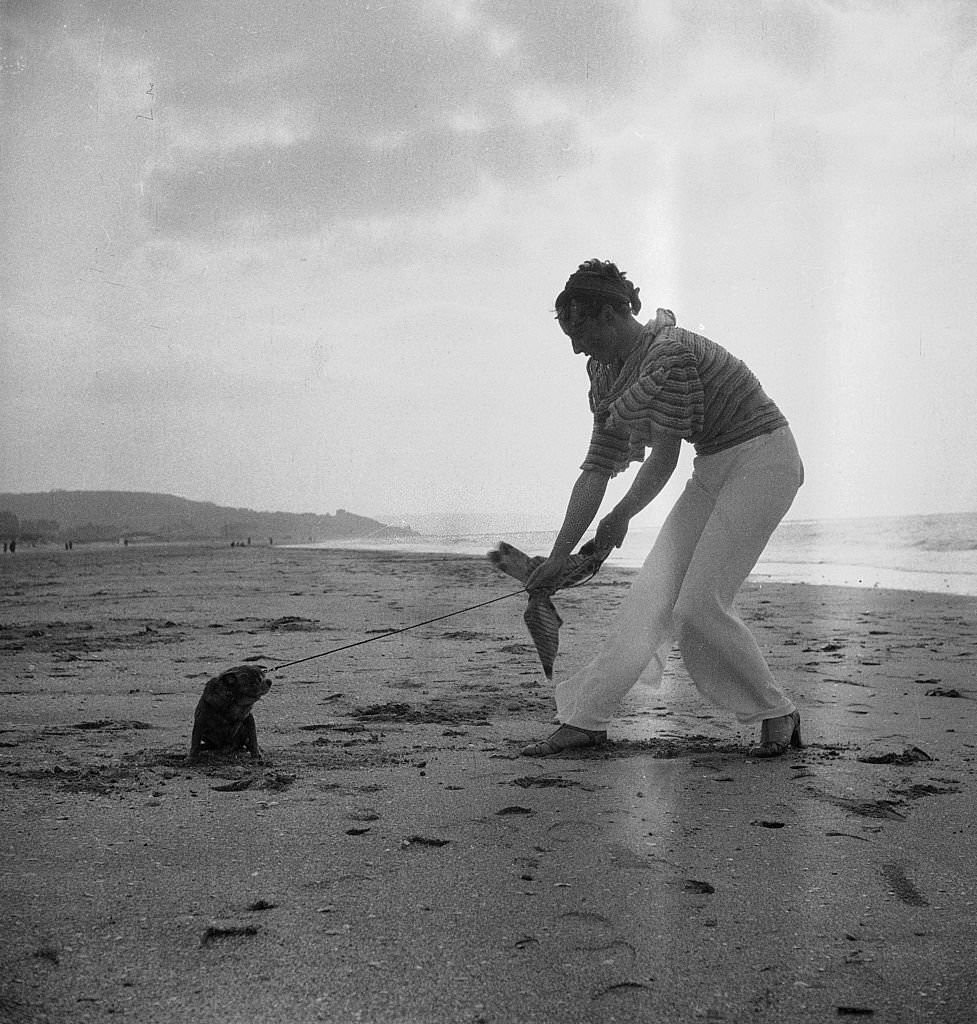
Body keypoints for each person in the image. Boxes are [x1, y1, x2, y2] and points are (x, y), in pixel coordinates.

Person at [521, 259, 805, 758]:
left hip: (765, 459)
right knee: (648, 600)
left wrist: (619, 518)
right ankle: (586, 721)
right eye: (567, 333)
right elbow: (597, 467)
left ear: (611, 314)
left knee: (698, 604)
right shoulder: (605, 370)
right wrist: (559, 555)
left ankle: (776, 711)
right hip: (713, 467)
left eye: (580, 330)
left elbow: (663, 459)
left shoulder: (668, 354)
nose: (575, 346)